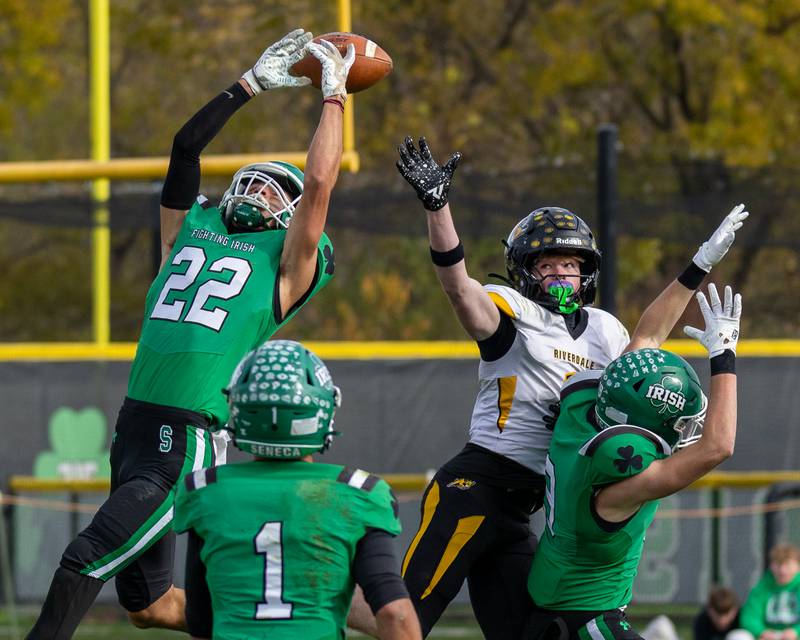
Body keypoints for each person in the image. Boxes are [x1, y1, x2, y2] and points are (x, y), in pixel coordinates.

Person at [27, 28, 354, 639]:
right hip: (133, 430)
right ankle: (309, 620)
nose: (259, 190)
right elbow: (184, 148)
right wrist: (248, 85)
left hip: (183, 440)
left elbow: (319, 185)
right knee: (150, 606)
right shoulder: (187, 233)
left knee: (84, 556)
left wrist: (333, 97)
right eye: (254, 179)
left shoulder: (285, 267)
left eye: (274, 189)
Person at [393, 135, 748, 638]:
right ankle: (305, 596)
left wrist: (699, 265)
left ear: (587, 272)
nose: (561, 273)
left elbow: (648, 334)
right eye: (548, 263)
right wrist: (438, 207)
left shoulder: (604, 330)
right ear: (525, 272)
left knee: (536, 631)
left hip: (529, 505)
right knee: (403, 623)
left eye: (571, 264)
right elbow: (458, 288)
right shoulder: (515, 313)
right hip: (478, 485)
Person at [523, 282, 742, 639]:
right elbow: (717, 446)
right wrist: (724, 358)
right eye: (682, 422)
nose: (687, 429)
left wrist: (697, 266)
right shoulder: (618, 486)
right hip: (586, 618)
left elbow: (648, 337)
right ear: (649, 427)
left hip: (552, 602)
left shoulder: (584, 416)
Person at [172, 339, 422, 640]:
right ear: (322, 409)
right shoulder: (359, 493)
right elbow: (395, 612)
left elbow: (201, 622)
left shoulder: (205, 491)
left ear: (237, 407)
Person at [735, 543, 800, 640]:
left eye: (787, 565)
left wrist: (796, 631)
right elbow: (749, 617)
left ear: (798, 566)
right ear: (771, 566)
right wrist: (761, 632)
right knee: (738, 636)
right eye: (778, 565)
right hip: (768, 636)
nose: (782, 571)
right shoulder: (762, 587)